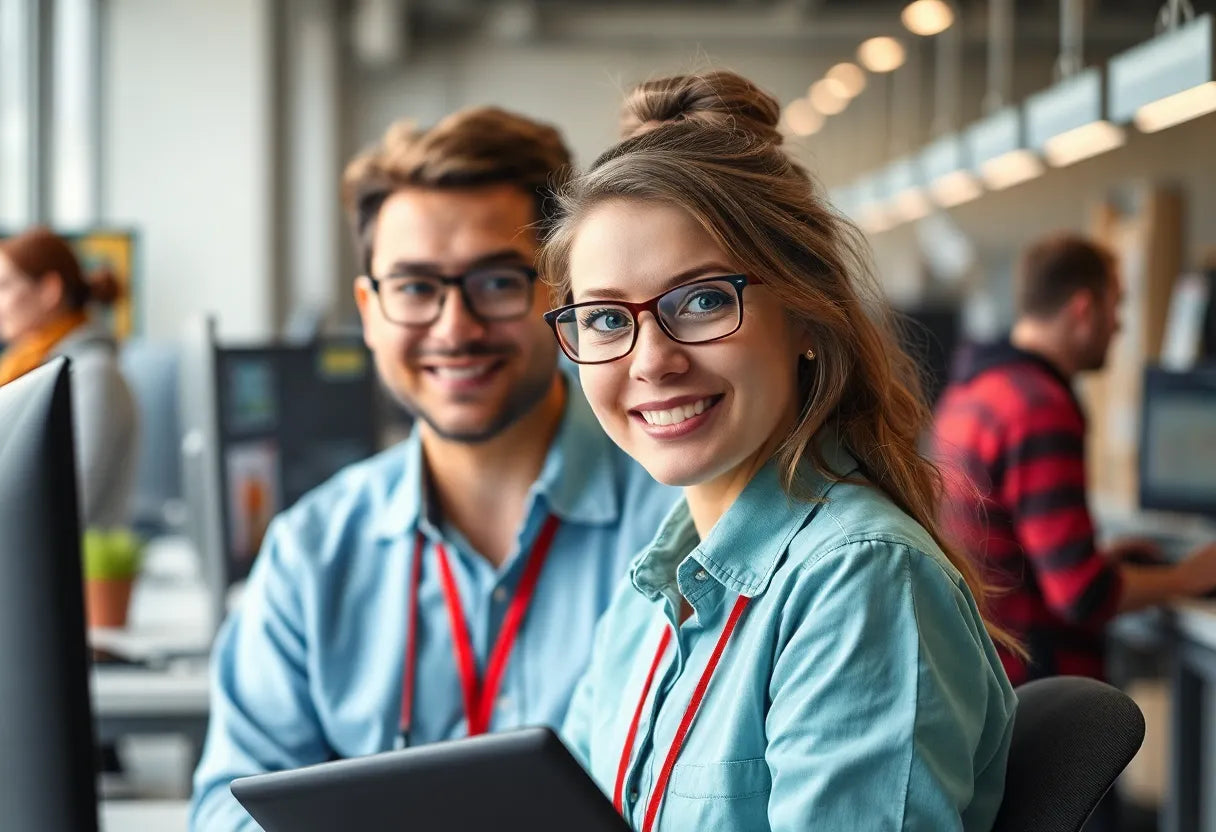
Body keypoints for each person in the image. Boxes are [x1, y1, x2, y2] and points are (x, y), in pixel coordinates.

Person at [544, 71, 1016, 832]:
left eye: (703, 301)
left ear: (805, 315)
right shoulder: (654, 587)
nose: (651, 360)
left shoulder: (859, 580)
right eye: (604, 318)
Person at [189, 108, 679, 830]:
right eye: (416, 288)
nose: (455, 328)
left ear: (565, 290)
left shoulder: (681, 518)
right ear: (369, 311)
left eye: (497, 282)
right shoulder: (312, 552)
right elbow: (226, 810)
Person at [934, 233, 1216, 686]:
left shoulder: (972, 392)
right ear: (1083, 309)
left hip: (980, 667)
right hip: (1033, 684)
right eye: (1116, 306)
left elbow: (1010, 553)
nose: (1119, 326)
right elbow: (1081, 595)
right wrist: (1188, 576)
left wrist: (1094, 560)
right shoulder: (1037, 406)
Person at [0, 227, 137, 530]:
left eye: (4, 285)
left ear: (49, 290)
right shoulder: (23, 367)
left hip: (75, 557)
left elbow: (69, 501)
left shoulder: (93, 375)